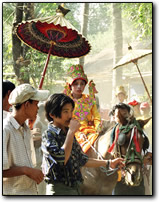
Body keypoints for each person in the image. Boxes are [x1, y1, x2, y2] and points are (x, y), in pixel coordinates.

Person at [41, 93, 125, 195]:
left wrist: (108, 163)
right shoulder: (49, 135)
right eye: (65, 111)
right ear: (52, 115)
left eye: (71, 111)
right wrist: (71, 132)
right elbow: (62, 158)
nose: (70, 115)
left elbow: (81, 159)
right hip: (59, 190)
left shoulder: (68, 133)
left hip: (75, 189)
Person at [3, 83, 50, 195]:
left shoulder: (26, 129)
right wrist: (26, 171)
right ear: (27, 105)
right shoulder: (5, 129)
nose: (38, 108)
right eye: (36, 104)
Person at [63, 64, 102, 153]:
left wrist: (98, 127)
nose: (79, 87)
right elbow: (65, 121)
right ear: (70, 85)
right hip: (71, 132)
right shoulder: (65, 101)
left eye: (82, 84)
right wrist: (78, 133)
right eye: (76, 84)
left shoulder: (90, 99)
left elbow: (96, 116)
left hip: (90, 131)